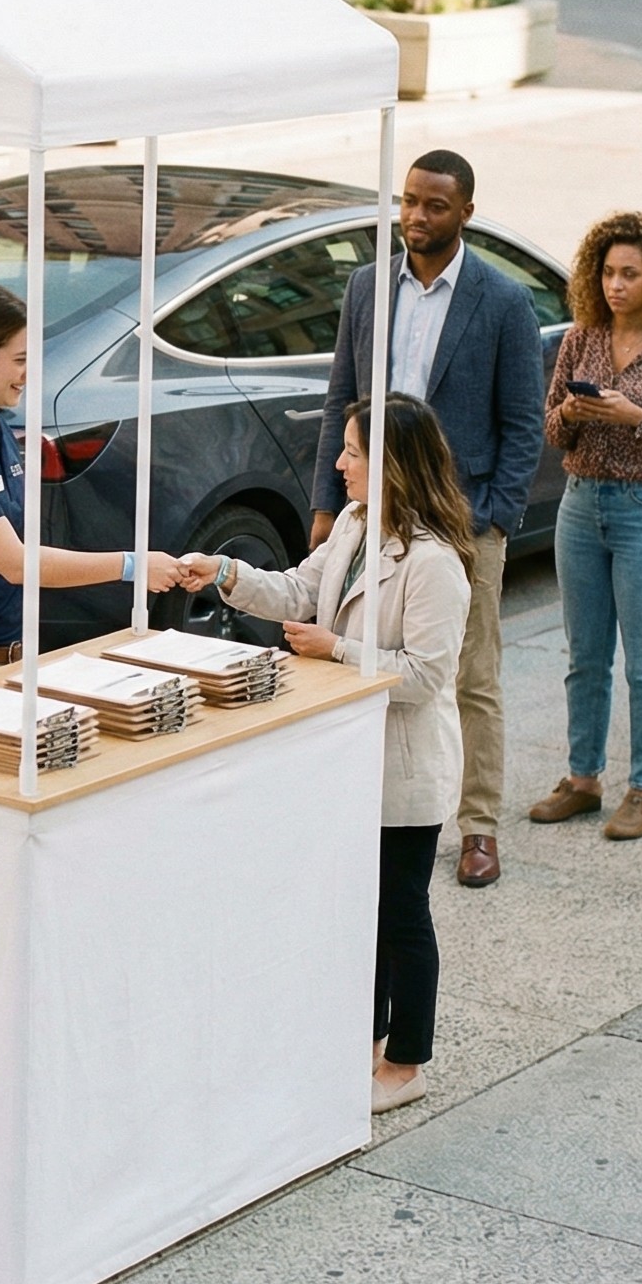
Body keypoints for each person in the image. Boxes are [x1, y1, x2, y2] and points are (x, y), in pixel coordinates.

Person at [183, 394, 469, 1115]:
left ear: (393, 466)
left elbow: (429, 674)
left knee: (401, 911)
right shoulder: (353, 524)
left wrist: (337, 649)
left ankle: (408, 1061)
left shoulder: (433, 562)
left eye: (353, 451)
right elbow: (300, 590)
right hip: (349, 760)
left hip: (403, 765)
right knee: (360, 906)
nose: (338, 463)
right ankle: (363, 1038)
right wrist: (224, 573)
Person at [313, 149, 543, 888]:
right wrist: (328, 501)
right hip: (371, 514)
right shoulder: (367, 287)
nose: (417, 216)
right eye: (410, 201)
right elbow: (339, 397)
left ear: (465, 212)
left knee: (469, 678)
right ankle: (368, 808)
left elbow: (522, 424)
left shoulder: (503, 301)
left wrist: (495, 521)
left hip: (464, 521)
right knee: (363, 660)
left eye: (435, 205)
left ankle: (477, 826)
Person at [0, 285, 188, 698]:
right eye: (19, 361)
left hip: (4, 659)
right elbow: (15, 562)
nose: (28, 374)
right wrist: (131, 566)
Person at [526, 214, 642, 841]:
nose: (616, 285)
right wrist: (574, 411)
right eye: (608, 272)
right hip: (580, 506)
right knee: (585, 657)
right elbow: (550, 427)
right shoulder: (583, 338)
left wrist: (635, 417)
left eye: (630, 273)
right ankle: (582, 779)